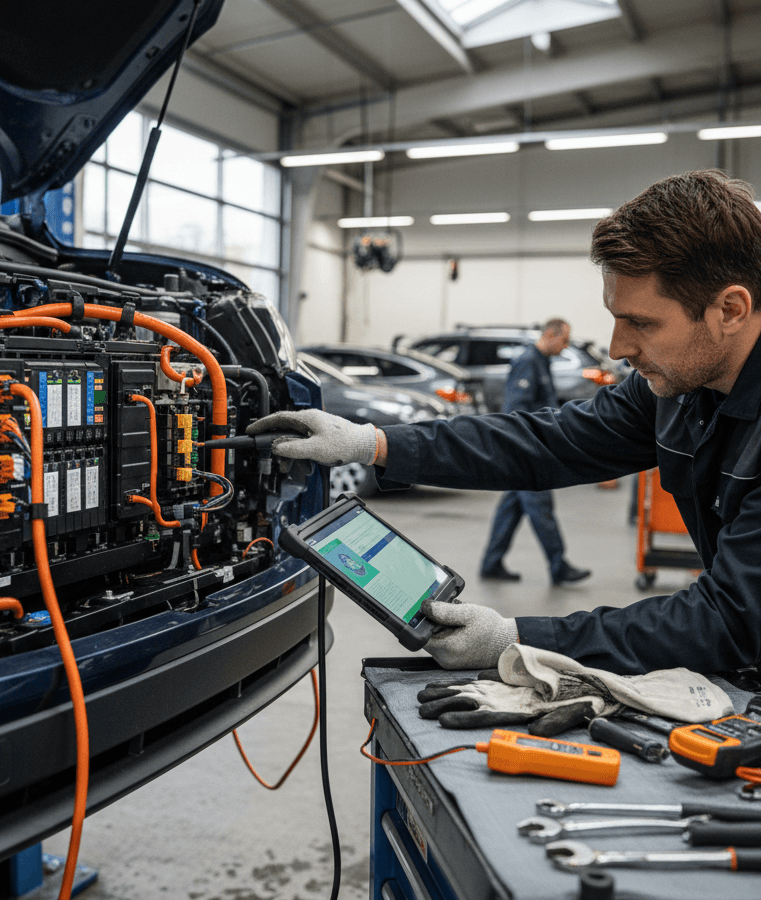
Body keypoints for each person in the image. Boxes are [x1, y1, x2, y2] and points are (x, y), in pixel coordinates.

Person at [251, 170, 761, 675]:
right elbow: (546, 441)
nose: (617, 349)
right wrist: (372, 442)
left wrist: (519, 640)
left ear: (731, 310)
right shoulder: (680, 389)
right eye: (616, 318)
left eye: (642, 323)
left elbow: (730, 618)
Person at [479, 318, 591, 586]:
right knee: (541, 507)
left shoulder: (541, 361)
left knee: (512, 507)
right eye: (564, 340)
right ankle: (558, 566)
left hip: (533, 446)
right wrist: (528, 448)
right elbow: (516, 409)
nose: (565, 347)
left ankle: (491, 563)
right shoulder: (528, 361)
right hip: (526, 449)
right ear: (550, 335)